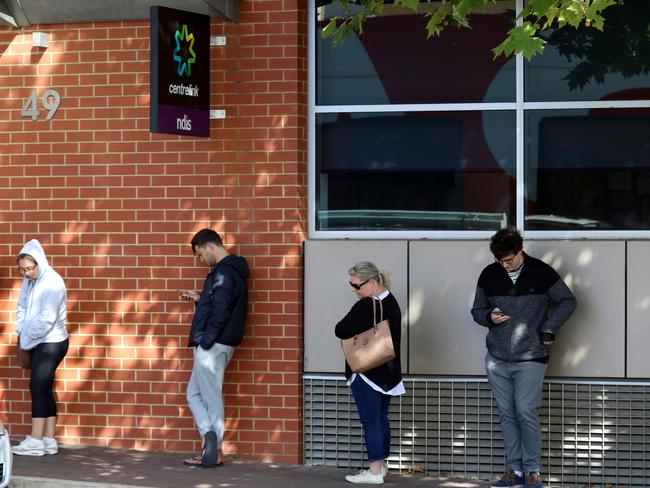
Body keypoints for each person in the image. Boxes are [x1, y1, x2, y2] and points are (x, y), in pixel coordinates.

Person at [471, 228, 577, 488]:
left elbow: (567, 301)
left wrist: (549, 328)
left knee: (526, 411)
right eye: (501, 261)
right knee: (507, 413)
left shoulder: (541, 272)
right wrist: (489, 318)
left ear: (520, 251)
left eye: (509, 259)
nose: (505, 265)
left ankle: (533, 472)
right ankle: (514, 471)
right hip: (496, 357)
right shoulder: (489, 274)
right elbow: (477, 310)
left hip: (531, 355)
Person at [178, 228, 249, 468]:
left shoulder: (225, 273)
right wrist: (200, 298)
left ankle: (214, 450)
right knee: (194, 394)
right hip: (218, 341)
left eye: (199, 254)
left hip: (214, 343)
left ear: (210, 247)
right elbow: (220, 302)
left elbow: (221, 311)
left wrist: (206, 340)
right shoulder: (228, 272)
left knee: (210, 397)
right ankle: (209, 438)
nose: (200, 260)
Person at [335, 261, 404, 485]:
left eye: (356, 285)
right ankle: (380, 467)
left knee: (371, 420)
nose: (354, 290)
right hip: (388, 372)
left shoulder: (366, 306)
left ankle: (374, 472)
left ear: (372, 282)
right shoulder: (391, 302)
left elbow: (340, 329)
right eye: (351, 285)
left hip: (367, 371)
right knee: (381, 418)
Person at [12, 239, 69, 457]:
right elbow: (22, 306)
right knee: (44, 388)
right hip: (38, 341)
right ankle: (48, 440)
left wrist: (25, 339)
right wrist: (20, 327)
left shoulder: (53, 283)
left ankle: (35, 441)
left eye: (29, 268)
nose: (26, 273)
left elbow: (47, 319)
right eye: (23, 269)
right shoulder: (30, 280)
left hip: (51, 343)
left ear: (39, 263)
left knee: (37, 387)